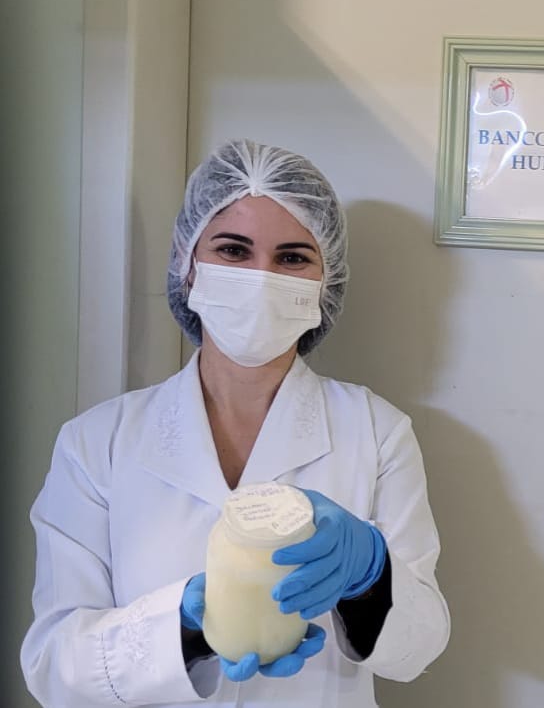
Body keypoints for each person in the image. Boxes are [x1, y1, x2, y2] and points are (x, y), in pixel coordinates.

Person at [20, 140, 450, 707]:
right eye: (232, 250)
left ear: (326, 283)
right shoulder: (97, 443)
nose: (261, 278)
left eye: (292, 258)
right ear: (188, 266)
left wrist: (370, 576)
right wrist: (185, 628)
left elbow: (418, 650)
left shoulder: (377, 433)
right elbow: (54, 665)